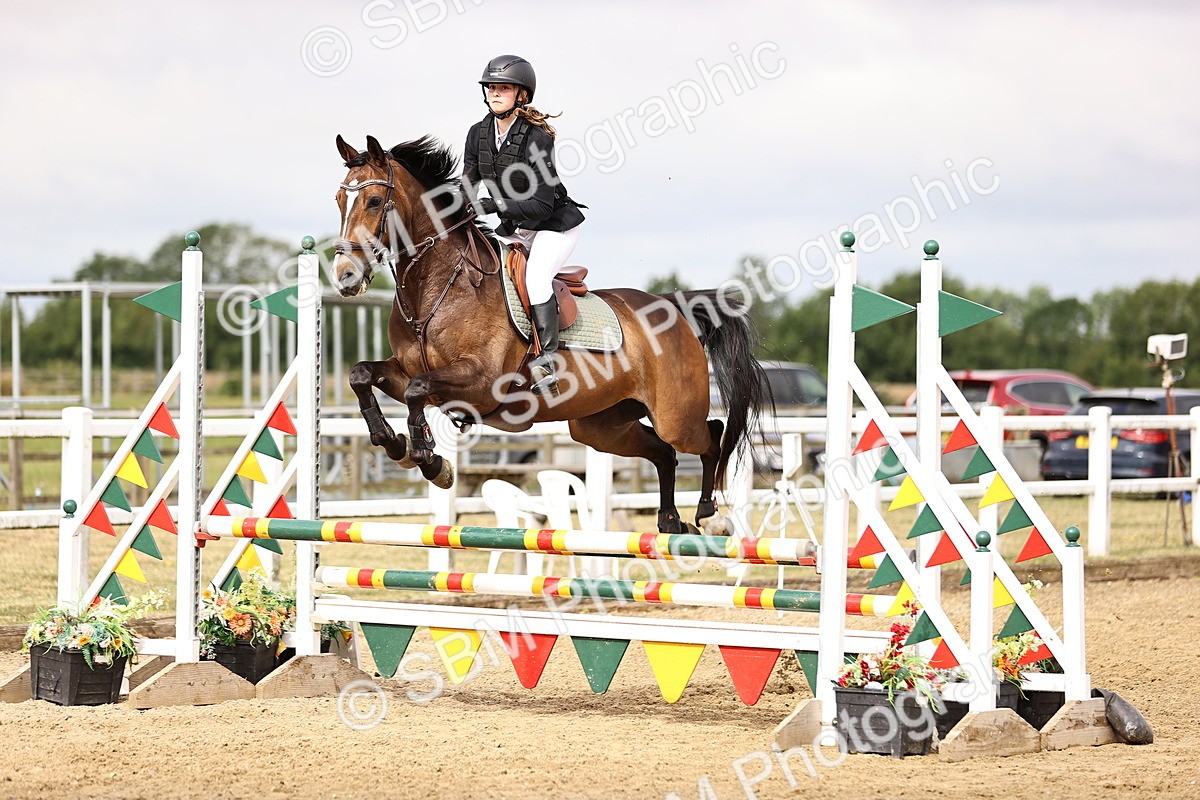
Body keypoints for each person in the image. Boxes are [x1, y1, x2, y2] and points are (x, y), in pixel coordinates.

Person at [459, 54, 586, 396]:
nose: (495, 93)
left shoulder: (538, 138)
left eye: (504, 88)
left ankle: (548, 361)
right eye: (492, 88)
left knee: (535, 277)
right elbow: (467, 186)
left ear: (522, 96)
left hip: (553, 224)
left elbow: (543, 204)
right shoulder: (477, 134)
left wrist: (495, 204)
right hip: (515, 225)